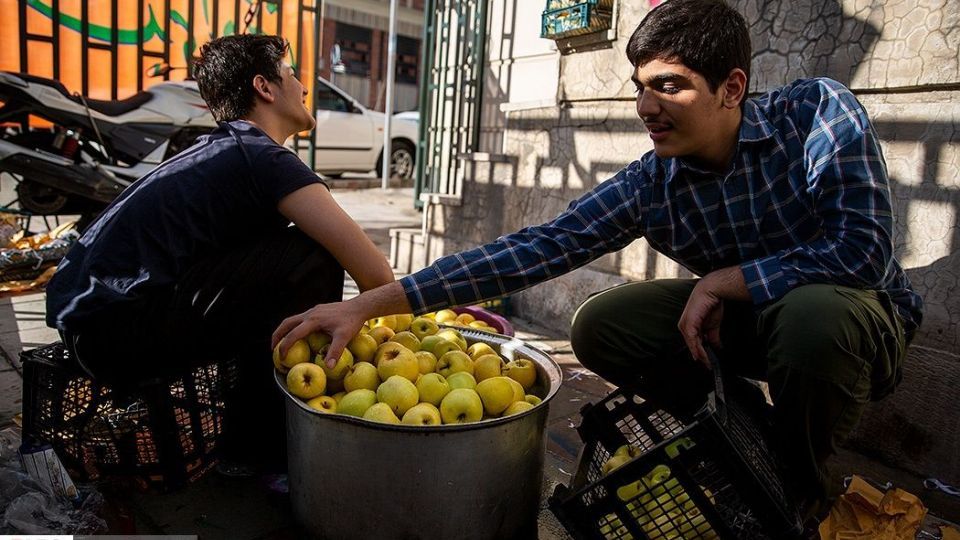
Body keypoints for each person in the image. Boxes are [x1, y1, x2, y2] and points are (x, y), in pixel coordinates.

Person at [272, 0, 921, 526]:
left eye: (669, 86)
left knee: (812, 318)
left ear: (732, 88)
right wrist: (367, 303)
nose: (646, 109)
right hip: (749, 325)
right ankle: (743, 428)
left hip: (855, 318)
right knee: (600, 325)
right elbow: (530, 251)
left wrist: (730, 280)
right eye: (641, 88)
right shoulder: (654, 180)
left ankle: (798, 488)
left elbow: (861, 252)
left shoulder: (815, 115)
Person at [45, 34, 394, 471]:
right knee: (311, 257)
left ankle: (246, 424)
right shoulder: (264, 158)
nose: (304, 87)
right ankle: (268, 448)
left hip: (92, 327)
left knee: (276, 261)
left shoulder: (224, 149)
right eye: (292, 75)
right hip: (111, 334)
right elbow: (377, 276)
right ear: (264, 88)